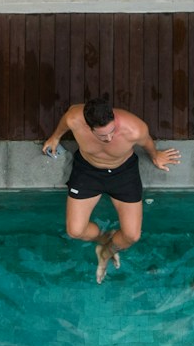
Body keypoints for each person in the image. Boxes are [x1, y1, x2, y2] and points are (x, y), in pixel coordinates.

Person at [42, 95, 180, 283]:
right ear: (89, 127)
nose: (108, 138)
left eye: (112, 131)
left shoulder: (134, 128)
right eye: (102, 135)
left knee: (132, 235)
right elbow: (64, 123)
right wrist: (55, 137)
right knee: (75, 231)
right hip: (87, 172)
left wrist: (155, 155)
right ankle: (103, 239)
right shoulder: (75, 118)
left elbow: (147, 141)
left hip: (123, 173)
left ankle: (105, 252)